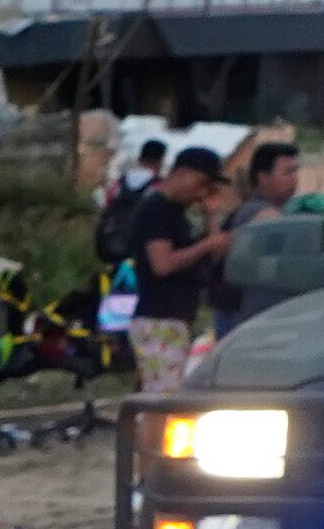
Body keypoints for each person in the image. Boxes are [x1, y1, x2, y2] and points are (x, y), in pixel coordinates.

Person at [117, 147, 226, 391]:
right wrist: (206, 245)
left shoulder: (178, 214)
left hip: (176, 318)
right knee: (161, 400)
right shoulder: (157, 209)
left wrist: (211, 217)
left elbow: (214, 254)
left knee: (167, 394)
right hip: (158, 319)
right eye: (202, 184)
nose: (202, 193)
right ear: (183, 173)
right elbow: (162, 264)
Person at [206, 138, 302, 335]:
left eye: (295, 171)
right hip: (248, 320)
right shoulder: (261, 214)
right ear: (263, 177)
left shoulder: (269, 211)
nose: (294, 179)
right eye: (287, 172)